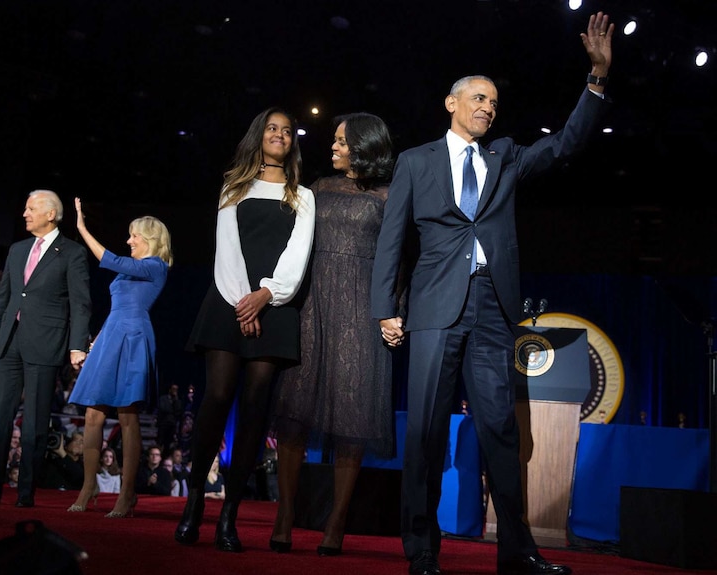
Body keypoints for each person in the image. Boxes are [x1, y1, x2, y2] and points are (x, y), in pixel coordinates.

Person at [370, 13, 614, 575]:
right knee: (427, 432)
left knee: (502, 430)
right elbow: (391, 244)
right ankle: (421, 550)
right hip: (432, 310)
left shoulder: (505, 157)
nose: (488, 108)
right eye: (478, 99)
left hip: (491, 311)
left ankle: (518, 550)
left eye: (495, 103)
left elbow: (566, 146)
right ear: (451, 103)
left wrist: (595, 79)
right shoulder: (415, 162)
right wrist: (387, 307)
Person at [174, 106, 315, 553]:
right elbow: (227, 247)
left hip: (274, 305)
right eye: (272, 129)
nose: (279, 135)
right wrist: (243, 299)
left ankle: (229, 515)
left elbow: (298, 253)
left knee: (256, 406)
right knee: (217, 395)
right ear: (259, 136)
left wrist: (266, 295)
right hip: (228, 298)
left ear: (293, 142)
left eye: (287, 131)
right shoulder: (234, 185)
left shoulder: (303, 195)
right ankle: (195, 499)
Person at [270, 112, 396, 555]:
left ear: (364, 145)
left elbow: (398, 261)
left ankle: (336, 523)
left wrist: (393, 313)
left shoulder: (390, 195)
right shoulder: (318, 188)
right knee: (292, 413)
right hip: (311, 305)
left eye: (342, 141)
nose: (334, 147)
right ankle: (284, 515)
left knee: (352, 421)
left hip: (362, 314)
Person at [0, 189, 92, 508]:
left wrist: (77, 345)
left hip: (46, 343)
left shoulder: (71, 253)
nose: (24, 213)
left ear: (51, 214)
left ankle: (26, 492)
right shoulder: (17, 249)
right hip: (9, 342)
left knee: (35, 425)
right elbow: (4, 297)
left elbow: (80, 303)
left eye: (31, 208)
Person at [66, 199, 173, 518]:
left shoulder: (155, 267)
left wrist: (83, 229)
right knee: (92, 416)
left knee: (128, 418)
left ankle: (127, 494)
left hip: (133, 339)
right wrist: (94, 344)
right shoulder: (133, 267)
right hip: (110, 336)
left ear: (150, 238)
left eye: (134, 236)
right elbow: (115, 308)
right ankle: (89, 486)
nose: (129, 241)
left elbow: (110, 260)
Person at [156, 383, 182, 450]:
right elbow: (163, 408)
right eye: (173, 389)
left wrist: (176, 401)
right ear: (170, 390)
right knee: (160, 441)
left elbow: (178, 411)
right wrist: (171, 411)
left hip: (172, 424)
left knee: (169, 443)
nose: (174, 391)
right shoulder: (163, 398)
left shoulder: (177, 401)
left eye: (176, 390)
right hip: (163, 423)